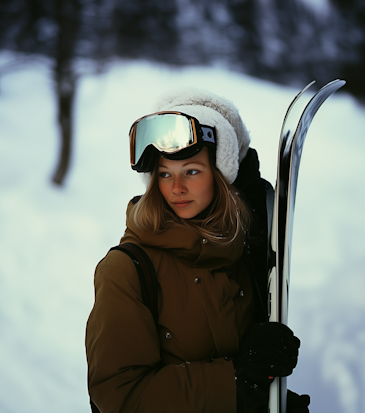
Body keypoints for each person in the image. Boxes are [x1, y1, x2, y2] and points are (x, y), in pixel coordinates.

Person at [85, 87, 310, 413]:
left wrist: (267, 396)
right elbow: (119, 396)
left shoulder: (235, 253)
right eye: (164, 174)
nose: (176, 188)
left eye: (191, 171)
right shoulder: (126, 270)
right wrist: (236, 384)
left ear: (220, 176)